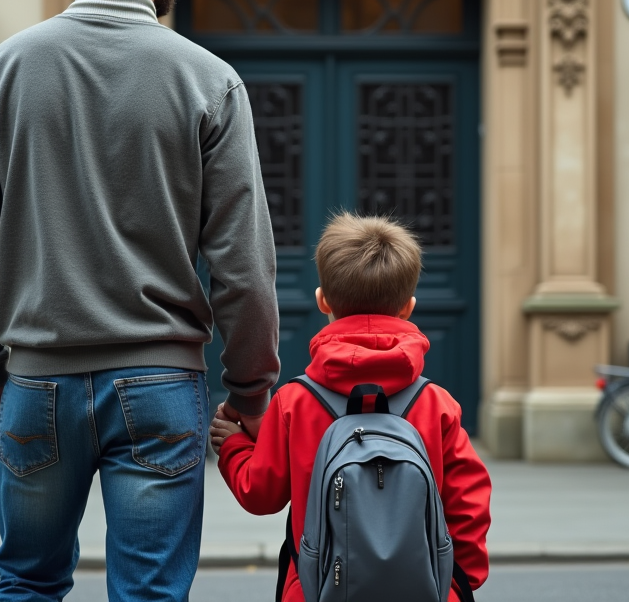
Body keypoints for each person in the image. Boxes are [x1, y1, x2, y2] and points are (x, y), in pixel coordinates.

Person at [0, 0, 280, 602]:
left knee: (26, 582)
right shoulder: (209, 81)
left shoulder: (1, 71)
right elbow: (243, 266)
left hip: (37, 379)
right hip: (159, 383)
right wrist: (251, 392)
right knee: (150, 593)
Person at [209, 213, 491, 602]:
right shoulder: (436, 404)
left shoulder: (295, 401)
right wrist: (460, 578)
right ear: (408, 307)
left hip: (314, 589)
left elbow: (261, 493)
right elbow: (469, 501)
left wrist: (236, 447)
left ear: (322, 300)